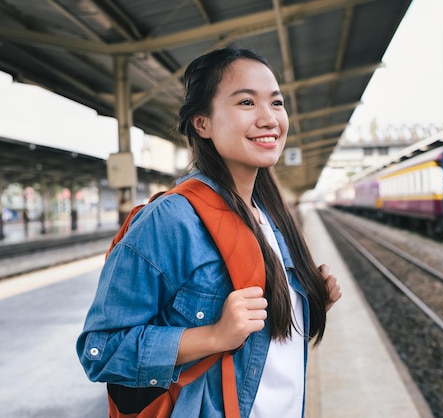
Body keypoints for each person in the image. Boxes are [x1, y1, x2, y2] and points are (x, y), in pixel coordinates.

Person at [76, 47, 342, 417]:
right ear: (203, 123)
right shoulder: (170, 220)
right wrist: (213, 336)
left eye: (276, 103)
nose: (269, 118)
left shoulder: (272, 217)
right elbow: (99, 351)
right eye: (247, 102)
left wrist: (308, 304)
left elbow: (268, 348)